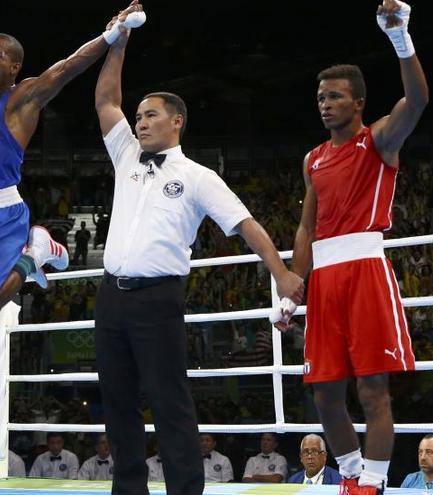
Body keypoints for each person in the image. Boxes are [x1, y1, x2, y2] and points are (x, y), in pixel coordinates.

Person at [92, 7, 305, 495]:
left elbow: (245, 224)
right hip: (111, 298)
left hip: (158, 299)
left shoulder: (197, 176)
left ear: (176, 121)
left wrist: (281, 274)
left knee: (169, 402)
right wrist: (119, 39)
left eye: (150, 115)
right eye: (139, 115)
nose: (140, 122)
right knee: (117, 400)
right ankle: (128, 490)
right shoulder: (126, 154)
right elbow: (106, 100)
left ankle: (185, 491)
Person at [0, 0, 144, 320]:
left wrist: (112, 34)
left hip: (1, 215)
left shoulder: (23, 99)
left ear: (15, 67)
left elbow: (68, 66)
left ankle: (34, 254)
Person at [284, 1, 428, 494]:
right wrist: (290, 290)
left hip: (366, 269)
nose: (325, 103)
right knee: (324, 392)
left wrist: (400, 39)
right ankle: (349, 474)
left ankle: (375, 480)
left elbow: (418, 101)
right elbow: (306, 228)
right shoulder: (313, 160)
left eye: (335, 96)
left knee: (372, 389)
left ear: (358, 103)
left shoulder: (379, 141)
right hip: (322, 278)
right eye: (320, 96)